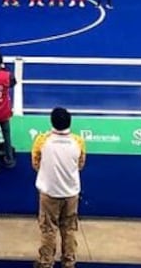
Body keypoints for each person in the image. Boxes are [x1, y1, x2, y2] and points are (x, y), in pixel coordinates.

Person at [32, 107, 86, 268]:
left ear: (52, 122)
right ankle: (69, 263)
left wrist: (49, 173)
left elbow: (35, 163)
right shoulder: (78, 142)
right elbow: (80, 164)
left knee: (48, 230)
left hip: (49, 194)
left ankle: (46, 263)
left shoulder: (42, 140)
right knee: (69, 230)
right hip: (71, 194)